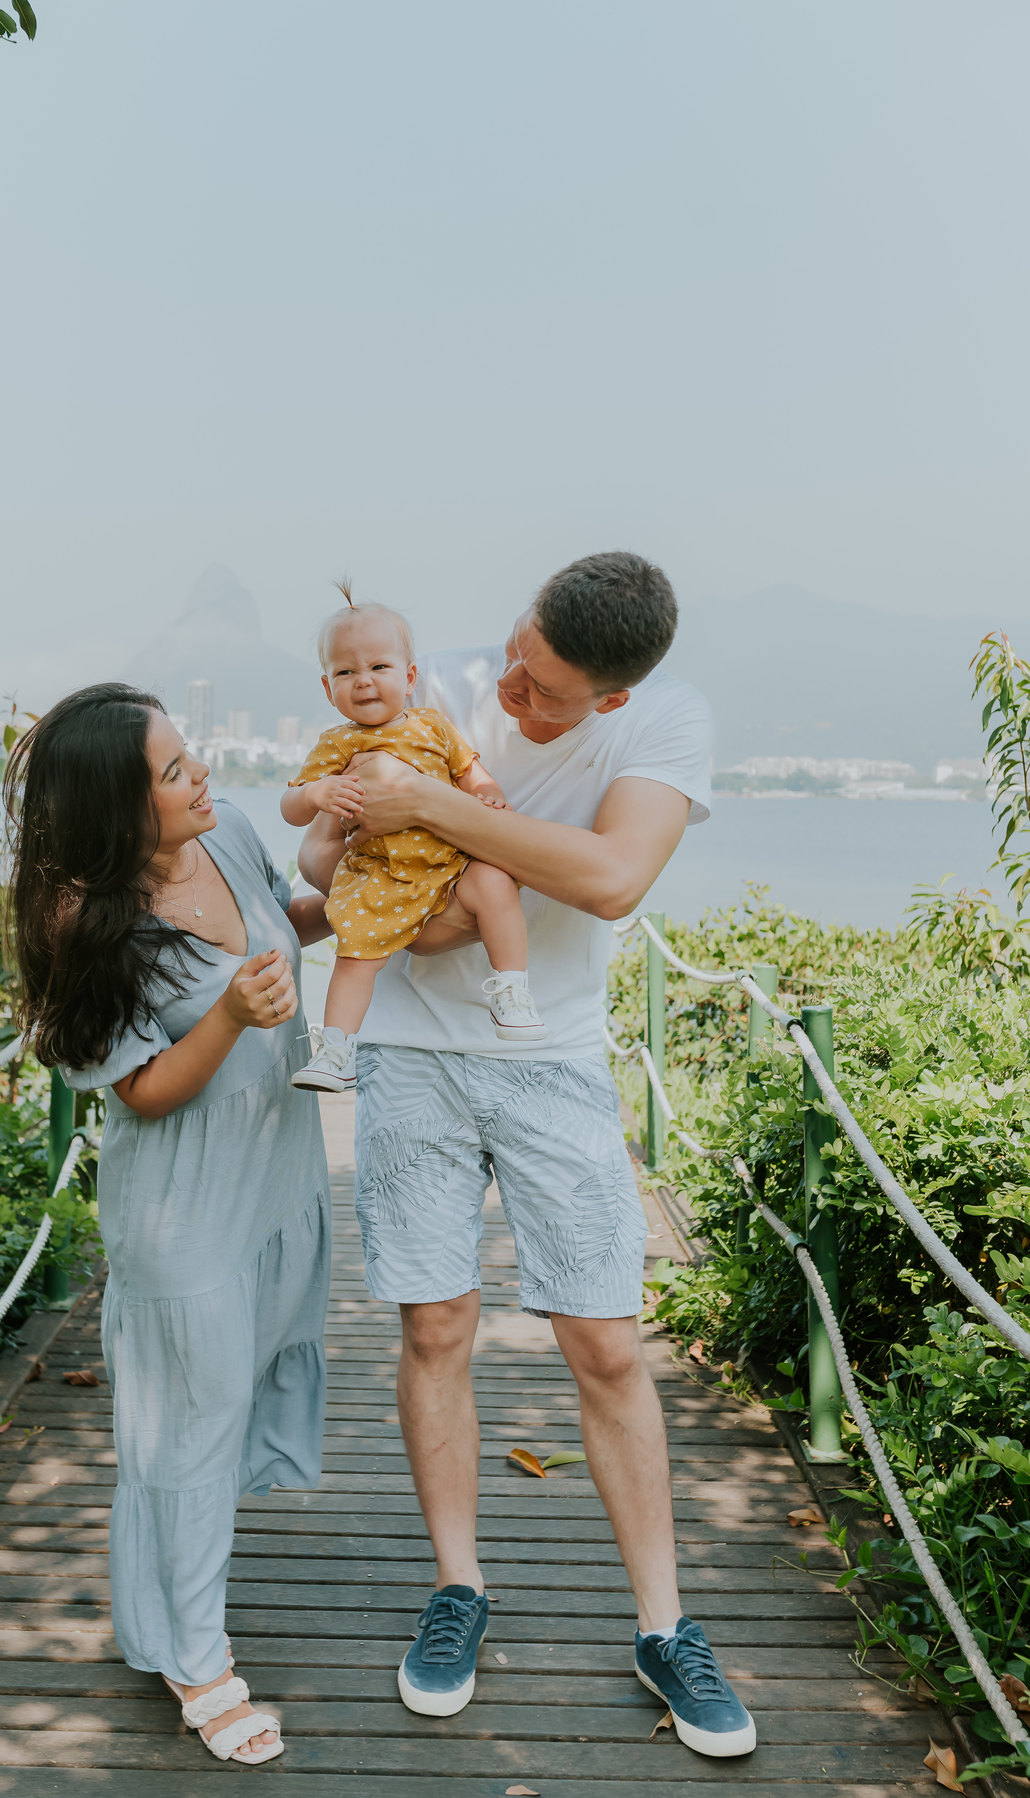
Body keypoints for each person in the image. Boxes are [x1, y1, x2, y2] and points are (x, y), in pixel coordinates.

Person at [299, 551, 756, 1758]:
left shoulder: (664, 723)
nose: (510, 687)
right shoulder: (427, 682)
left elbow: (611, 879)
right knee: (434, 1326)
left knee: (606, 1342)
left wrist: (434, 813)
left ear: (612, 697)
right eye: (514, 653)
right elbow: (370, 886)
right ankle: (458, 1587)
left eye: (543, 689)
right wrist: (444, 861)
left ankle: (665, 1626)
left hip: (554, 1056)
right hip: (409, 1052)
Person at [5, 682, 333, 1767]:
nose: (204, 779)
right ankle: (197, 1658)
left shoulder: (226, 832)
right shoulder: (83, 925)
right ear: (115, 807)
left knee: (207, 1421)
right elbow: (142, 1093)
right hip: (184, 1207)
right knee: (189, 1432)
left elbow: (286, 919)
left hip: (271, 1173)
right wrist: (232, 1014)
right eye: (175, 772)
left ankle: (163, 1606)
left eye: (193, 756)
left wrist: (366, 892)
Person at [283, 586, 547, 1094]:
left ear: (409, 678)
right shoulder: (337, 744)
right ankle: (337, 1050)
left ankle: (513, 990)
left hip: (451, 864)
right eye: (346, 672)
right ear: (328, 688)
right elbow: (291, 807)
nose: (363, 680)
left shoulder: (433, 725)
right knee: (355, 958)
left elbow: (470, 771)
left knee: (494, 882)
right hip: (380, 873)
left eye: (379, 667)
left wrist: (489, 796)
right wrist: (316, 792)